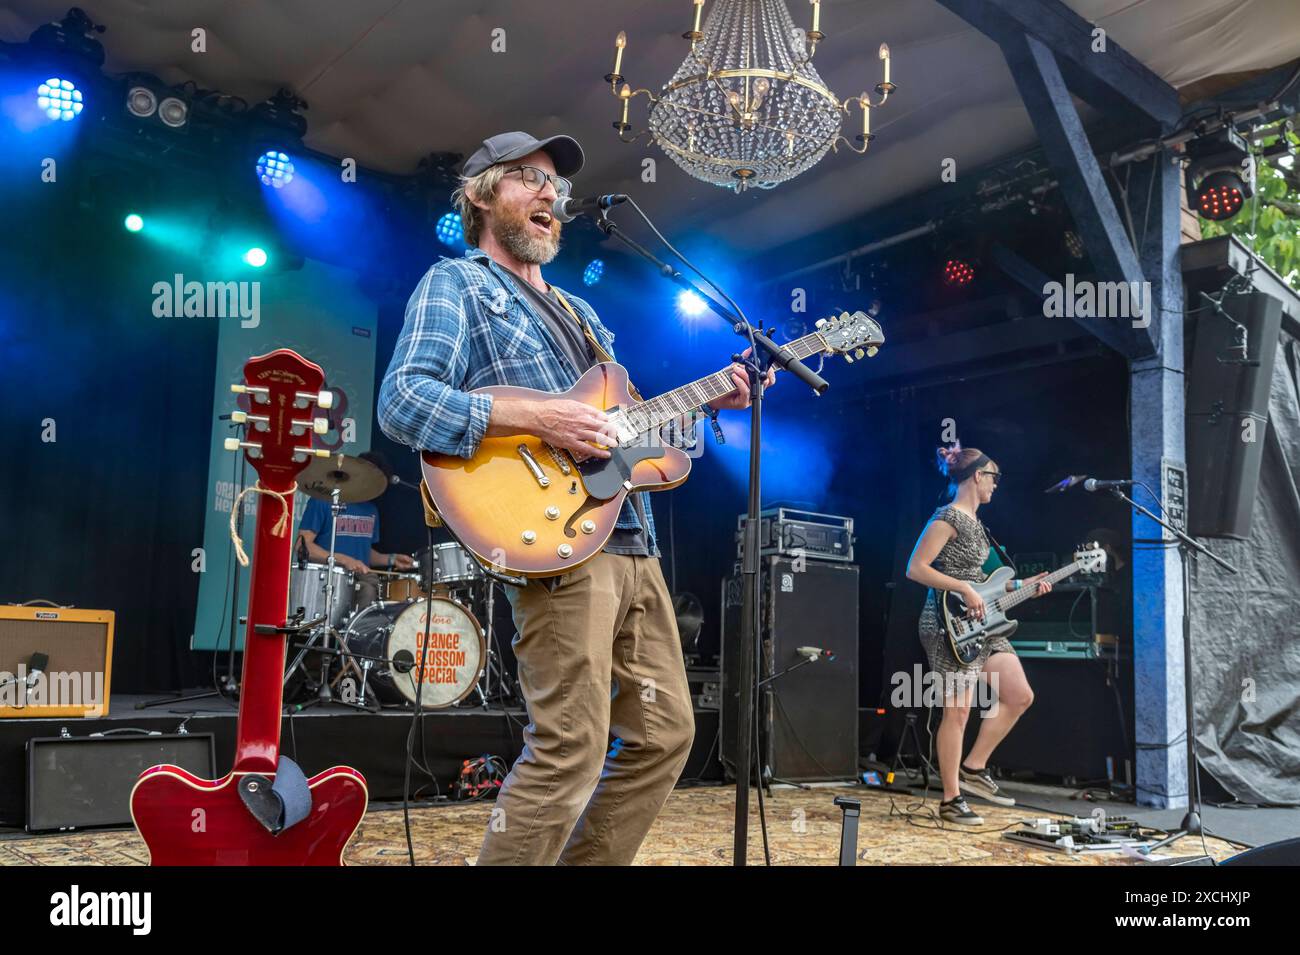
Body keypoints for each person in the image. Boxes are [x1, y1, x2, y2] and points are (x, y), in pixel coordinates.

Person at [377, 130, 774, 864]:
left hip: (633, 544)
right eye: (527, 178)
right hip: (557, 545)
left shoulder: (585, 315)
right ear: (479, 193)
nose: (550, 196)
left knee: (664, 735)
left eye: (554, 186)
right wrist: (539, 415)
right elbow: (402, 401)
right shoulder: (457, 285)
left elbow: (627, 435)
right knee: (570, 748)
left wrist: (714, 401)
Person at [905, 443, 1052, 826]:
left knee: (1019, 695)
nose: (996, 486)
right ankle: (951, 798)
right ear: (978, 475)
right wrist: (963, 589)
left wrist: (1024, 584)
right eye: (994, 478)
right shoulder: (948, 516)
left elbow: (985, 583)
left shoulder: (978, 524)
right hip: (947, 623)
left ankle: (974, 767)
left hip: (984, 623)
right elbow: (916, 568)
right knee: (958, 713)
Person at [296, 451, 414, 608]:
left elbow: (363, 552)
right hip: (328, 578)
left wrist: (391, 559)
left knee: (379, 590)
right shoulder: (322, 501)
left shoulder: (371, 509)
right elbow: (302, 547)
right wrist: (343, 559)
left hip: (359, 577)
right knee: (368, 589)